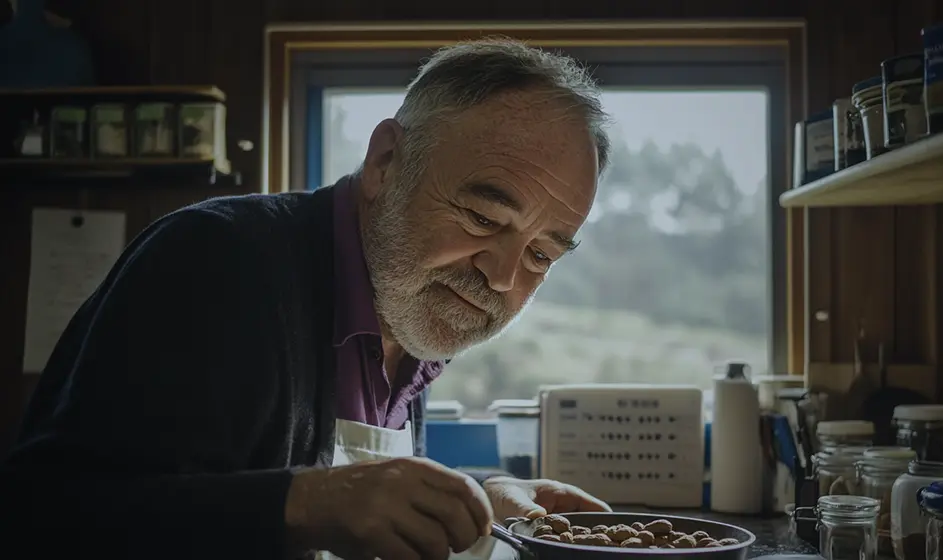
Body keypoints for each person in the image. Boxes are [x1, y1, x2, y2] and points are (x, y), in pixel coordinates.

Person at [0, 39, 613, 559]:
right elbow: (43, 516)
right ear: (385, 162)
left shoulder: (409, 316)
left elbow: (363, 502)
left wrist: (481, 506)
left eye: (541, 255)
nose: (504, 277)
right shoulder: (219, 262)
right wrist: (304, 502)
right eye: (483, 217)